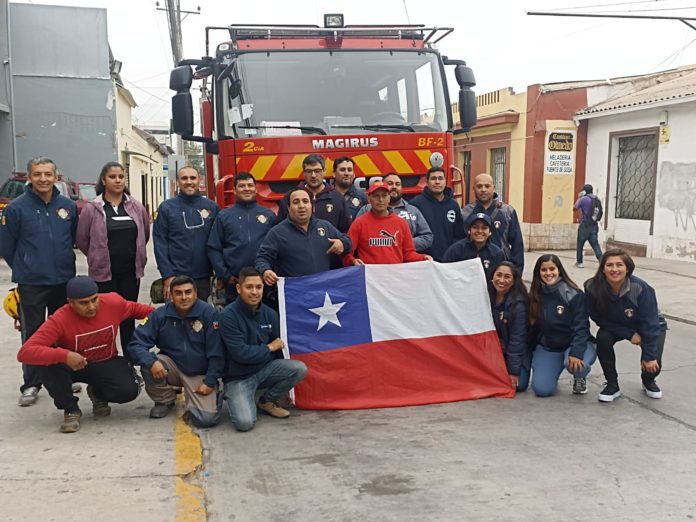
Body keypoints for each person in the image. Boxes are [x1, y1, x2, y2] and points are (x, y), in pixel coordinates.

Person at [16, 276, 154, 433]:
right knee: (47, 365)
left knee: (129, 390)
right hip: (72, 366)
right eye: (83, 303)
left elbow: (145, 311)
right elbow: (25, 352)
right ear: (70, 302)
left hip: (105, 361)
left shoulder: (113, 303)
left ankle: (97, 393)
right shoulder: (59, 319)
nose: (91, 306)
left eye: (94, 300)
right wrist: (64, 355)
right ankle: (71, 409)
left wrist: (174, 317)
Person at [0, 157, 78, 407]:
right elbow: (7, 246)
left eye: (48, 174)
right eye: (37, 174)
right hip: (31, 282)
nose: (43, 179)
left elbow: (72, 237)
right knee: (32, 334)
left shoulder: (67, 206)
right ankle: (31, 383)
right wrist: (26, 266)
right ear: (29, 177)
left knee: (63, 332)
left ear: (56, 176)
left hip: (63, 279)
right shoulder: (15, 208)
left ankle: (63, 377)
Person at [75, 161, 150, 362]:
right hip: (104, 275)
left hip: (130, 275)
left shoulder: (136, 206)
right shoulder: (93, 208)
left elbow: (145, 234)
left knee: (127, 318)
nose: (117, 180)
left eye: (120, 176)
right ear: (103, 180)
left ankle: (130, 361)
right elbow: (82, 240)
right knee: (104, 320)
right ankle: (106, 361)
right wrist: (97, 256)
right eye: (112, 177)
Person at [218, 267, 308, 432]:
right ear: (239, 288)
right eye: (249, 287)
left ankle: (266, 400)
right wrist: (269, 347)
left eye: (258, 287)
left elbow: (279, 353)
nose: (254, 292)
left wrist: (286, 389)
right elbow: (241, 354)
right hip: (238, 378)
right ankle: (236, 396)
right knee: (244, 424)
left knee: (299, 368)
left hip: (264, 370)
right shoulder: (227, 316)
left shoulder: (270, 314)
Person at [127, 276, 224, 427]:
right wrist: (152, 362)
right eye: (178, 293)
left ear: (196, 293)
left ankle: (213, 395)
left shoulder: (209, 314)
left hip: (200, 372)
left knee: (205, 420)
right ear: (170, 295)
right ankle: (164, 400)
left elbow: (217, 353)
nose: (184, 297)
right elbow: (136, 344)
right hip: (171, 366)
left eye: (188, 292)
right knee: (148, 364)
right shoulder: (159, 315)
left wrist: (210, 381)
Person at [584, 249, 667, 402]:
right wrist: (629, 334)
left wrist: (649, 356)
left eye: (619, 265)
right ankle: (612, 385)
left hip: (650, 326)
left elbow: (651, 323)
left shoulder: (641, 288)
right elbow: (596, 317)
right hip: (617, 325)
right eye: (609, 265)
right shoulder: (592, 287)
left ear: (627, 268)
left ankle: (648, 381)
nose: (614, 269)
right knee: (603, 338)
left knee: (652, 364)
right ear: (602, 268)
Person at [527, 254, 597, 397]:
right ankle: (551, 371)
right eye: (543, 270)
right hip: (550, 347)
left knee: (576, 366)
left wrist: (576, 353)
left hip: (574, 344)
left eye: (552, 269)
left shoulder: (573, 294)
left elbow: (581, 327)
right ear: (538, 273)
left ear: (559, 270)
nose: (548, 273)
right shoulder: (535, 294)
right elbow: (532, 328)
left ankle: (579, 378)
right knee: (541, 390)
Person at [256, 187, 351, 286]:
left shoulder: (325, 226)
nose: (301, 206)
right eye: (296, 202)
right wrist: (265, 270)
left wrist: (342, 243)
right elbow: (262, 259)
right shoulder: (277, 233)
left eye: (305, 201)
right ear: (288, 208)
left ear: (312, 207)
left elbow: (348, 241)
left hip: (323, 292)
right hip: (296, 295)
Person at [207, 172, 275, 304]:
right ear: (234, 190)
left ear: (256, 189)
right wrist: (225, 276)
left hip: (264, 284)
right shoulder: (224, 216)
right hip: (235, 284)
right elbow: (213, 248)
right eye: (242, 186)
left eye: (250, 185)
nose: (246, 189)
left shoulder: (269, 215)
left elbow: (277, 247)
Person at [153, 166, 219, 300]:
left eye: (193, 178)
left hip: (204, 277)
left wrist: (219, 273)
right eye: (184, 178)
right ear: (178, 182)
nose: (189, 182)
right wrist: (167, 275)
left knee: (201, 319)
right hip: (175, 277)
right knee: (176, 319)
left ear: (199, 180)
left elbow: (218, 242)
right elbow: (160, 243)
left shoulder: (212, 207)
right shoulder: (166, 208)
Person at [343, 182, 431, 266]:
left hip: (394, 277)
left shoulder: (401, 223)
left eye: (384, 196)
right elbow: (346, 253)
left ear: (389, 198)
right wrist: (352, 261)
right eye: (376, 196)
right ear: (369, 199)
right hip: (369, 278)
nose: (380, 200)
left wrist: (423, 258)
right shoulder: (359, 223)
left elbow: (408, 254)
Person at [462, 173, 524, 271]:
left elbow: (517, 245)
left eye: (487, 186)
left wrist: (517, 273)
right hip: (473, 270)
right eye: (479, 186)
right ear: (473, 189)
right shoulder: (465, 213)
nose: (483, 189)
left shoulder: (507, 211)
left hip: (500, 270)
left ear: (494, 188)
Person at [357, 173, 433, 253]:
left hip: (406, 262)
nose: (394, 187)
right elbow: (354, 238)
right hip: (374, 262)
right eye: (390, 184)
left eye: (397, 184)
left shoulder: (413, 211)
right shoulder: (366, 209)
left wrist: (403, 243)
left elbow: (427, 237)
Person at [277, 154, 351, 232]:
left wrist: (341, 242)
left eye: (317, 171)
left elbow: (346, 231)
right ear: (304, 173)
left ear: (324, 171)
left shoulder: (337, 199)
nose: (313, 175)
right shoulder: (290, 197)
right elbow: (279, 230)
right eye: (309, 171)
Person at [489, 261, 530, 392]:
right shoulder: (485, 296)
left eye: (507, 277)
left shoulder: (518, 305)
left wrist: (514, 371)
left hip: (512, 350)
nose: (501, 280)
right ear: (492, 276)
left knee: (519, 385)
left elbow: (517, 340)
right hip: (492, 350)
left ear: (513, 281)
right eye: (498, 275)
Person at [410, 166, 466, 261]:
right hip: (425, 261)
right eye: (433, 178)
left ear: (445, 181)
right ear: (427, 182)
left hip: (449, 261)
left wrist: (453, 254)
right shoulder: (415, 205)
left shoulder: (453, 205)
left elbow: (459, 235)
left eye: (440, 178)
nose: (437, 182)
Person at [442, 213, 505, 279]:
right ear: (469, 230)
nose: (480, 231)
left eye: (484, 228)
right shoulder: (455, 250)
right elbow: (444, 272)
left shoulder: (497, 254)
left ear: (490, 232)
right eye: (475, 227)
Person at [573, 183, 603, 268]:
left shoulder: (584, 199)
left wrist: (579, 198)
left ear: (584, 191)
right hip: (594, 225)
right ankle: (601, 261)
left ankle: (579, 262)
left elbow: (575, 208)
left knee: (580, 243)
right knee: (595, 244)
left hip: (585, 225)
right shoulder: (597, 199)